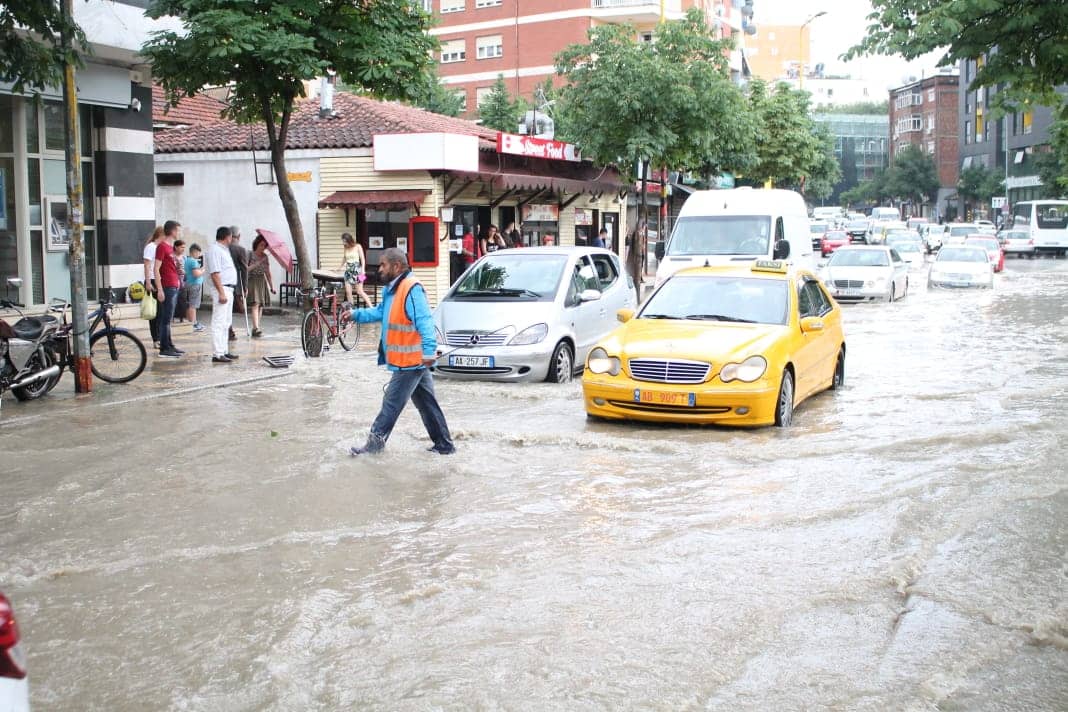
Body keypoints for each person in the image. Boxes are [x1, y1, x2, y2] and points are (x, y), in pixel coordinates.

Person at [343, 248, 455, 456]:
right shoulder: (392, 289)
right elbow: (379, 312)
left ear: (396, 266)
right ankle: (444, 445)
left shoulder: (411, 288)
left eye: (384, 265)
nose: (380, 269)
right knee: (427, 404)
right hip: (411, 360)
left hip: (411, 361)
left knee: (391, 403)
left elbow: (424, 321)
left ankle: (373, 448)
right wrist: (355, 314)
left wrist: (429, 352)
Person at [205, 226, 241, 364]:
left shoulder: (224, 250)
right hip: (222, 289)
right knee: (219, 322)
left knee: (226, 322)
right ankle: (217, 353)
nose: (232, 239)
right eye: (231, 237)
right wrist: (221, 292)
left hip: (229, 289)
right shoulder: (214, 250)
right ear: (227, 237)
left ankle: (224, 350)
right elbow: (215, 273)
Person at [153, 220, 183, 358]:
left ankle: (169, 344)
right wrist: (159, 289)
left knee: (169, 317)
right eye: (178, 230)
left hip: (174, 284)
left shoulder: (171, 248)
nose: (179, 233)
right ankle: (164, 348)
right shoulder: (162, 247)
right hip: (167, 286)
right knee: (166, 318)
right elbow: (156, 268)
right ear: (172, 231)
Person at [246, 234, 276, 337]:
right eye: (261, 245)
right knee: (255, 304)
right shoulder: (250, 254)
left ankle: (256, 327)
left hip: (261, 281)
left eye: (265, 246)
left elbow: (268, 272)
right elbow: (245, 269)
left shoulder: (265, 257)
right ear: (257, 244)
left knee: (260, 306)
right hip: (252, 280)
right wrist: (256, 264)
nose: (263, 247)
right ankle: (255, 327)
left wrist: (271, 286)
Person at [142, 226, 164, 349]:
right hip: (152, 279)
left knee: (161, 311)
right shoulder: (151, 247)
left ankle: (160, 337)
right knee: (154, 311)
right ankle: (156, 338)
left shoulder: (159, 247)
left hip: (159, 279)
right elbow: (147, 265)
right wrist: (148, 283)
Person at [337, 233, 372, 307]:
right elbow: (344, 258)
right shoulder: (345, 247)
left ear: (349, 240)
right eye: (343, 241)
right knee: (348, 292)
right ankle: (352, 311)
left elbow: (362, 259)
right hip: (348, 271)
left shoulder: (358, 246)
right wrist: (339, 267)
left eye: (345, 241)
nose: (343, 243)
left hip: (358, 271)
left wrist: (363, 270)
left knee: (360, 291)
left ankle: (371, 307)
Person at [227, 225, 249, 341]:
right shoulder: (240, 249)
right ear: (239, 236)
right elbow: (244, 269)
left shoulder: (224, 247)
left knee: (226, 309)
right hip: (235, 283)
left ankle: (228, 330)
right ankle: (229, 331)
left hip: (223, 282)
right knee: (232, 307)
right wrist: (245, 286)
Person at [182, 243, 206, 332]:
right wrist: (203, 270)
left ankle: (193, 322)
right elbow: (196, 274)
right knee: (193, 305)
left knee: (191, 305)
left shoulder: (187, 260)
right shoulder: (193, 261)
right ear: (194, 252)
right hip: (195, 284)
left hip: (190, 283)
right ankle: (193, 324)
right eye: (198, 253)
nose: (199, 255)